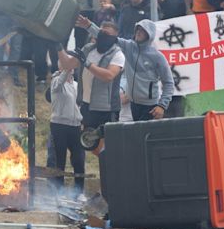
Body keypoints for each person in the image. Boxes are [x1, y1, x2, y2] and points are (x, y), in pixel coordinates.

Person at [79, 17, 174, 121]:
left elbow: (169, 82)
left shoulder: (157, 56)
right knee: (136, 135)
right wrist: (89, 26)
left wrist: (162, 105)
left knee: (147, 135)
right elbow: (107, 37)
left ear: (149, 34)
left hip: (150, 106)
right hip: (133, 104)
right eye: (138, 29)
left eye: (143, 30)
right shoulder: (129, 46)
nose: (139, 32)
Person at [58, 21, 124, 131]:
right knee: (89, 140)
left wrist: (87, 64)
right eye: (101, 32)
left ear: (114, 37)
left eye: (106, 34)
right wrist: (58, 46)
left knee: (107, 142)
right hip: (86, 104)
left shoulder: (118, 54)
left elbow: (108, 76)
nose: (102, 35)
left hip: (106, 108)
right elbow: (68, 65)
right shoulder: (88, 48)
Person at [49, 61, 86, 200]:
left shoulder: (77, 86)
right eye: (66, 67)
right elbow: (61, 80)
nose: (70, 70)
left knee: (79, 159)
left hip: (76, 126)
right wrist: (67, 66)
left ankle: (79, 191)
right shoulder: (56, 82)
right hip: (59, 125)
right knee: (60, 159)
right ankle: (59, 191)